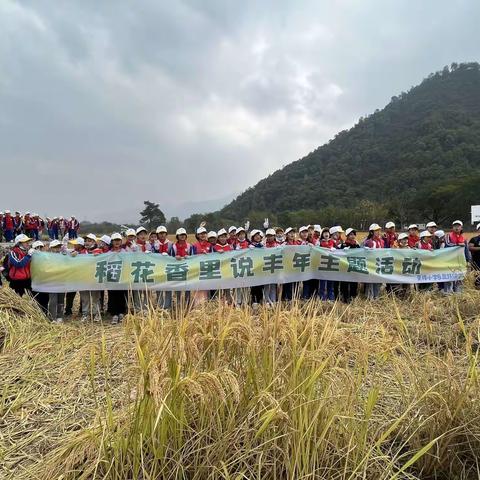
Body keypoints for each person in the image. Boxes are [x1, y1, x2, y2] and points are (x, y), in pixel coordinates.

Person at [168, 228, 195, 308]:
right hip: (177, 270)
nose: (182, 236)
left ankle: (187, 303)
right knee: (178, 287)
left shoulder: (189, 246)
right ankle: (179, 303)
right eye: (180, 235)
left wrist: (189, 257)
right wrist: (175, 258)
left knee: (187, 287)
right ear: (177, 236)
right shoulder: (174, 247)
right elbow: (170, 258)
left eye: (184, 235)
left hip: (187, 269)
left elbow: (193, 257)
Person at [444, 220, 470, 294]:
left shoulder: (463, 238)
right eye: (455, 226)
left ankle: (458, 293)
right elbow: (448, 244)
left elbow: (466, 250)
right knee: (449, 277)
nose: (456, 228)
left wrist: (468, 260)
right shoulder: (448, 236)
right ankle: (448, 293)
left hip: (460, 261)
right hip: (450, 260)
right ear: (452, 227)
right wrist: (458, 245)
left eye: (458, 226)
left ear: (461, 228)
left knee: (459, 277)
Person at [108, 233, 128, 324]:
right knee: (112, 296)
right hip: (112, 278)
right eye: (115, 240)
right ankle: (114, 314)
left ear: (121, 242)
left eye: (118, 240)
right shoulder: (108, 253)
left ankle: (121, 313)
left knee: (122, 295)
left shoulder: (125, 252)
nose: (117, 242)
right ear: (112, 242)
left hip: (122, 277)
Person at [192, 226, 213, 305]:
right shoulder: (194, 246)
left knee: (207, 288)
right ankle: (197, 305)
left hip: (208, 271)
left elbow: (214, 257)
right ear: (197, 235)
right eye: (200, 234)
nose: (202, 235)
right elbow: (192, 258)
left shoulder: (210, 245)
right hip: (198, 271)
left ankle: (207, 305)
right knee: (198, 289)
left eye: (204, 233)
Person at [338, 228, 360, 302]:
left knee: (354, 282)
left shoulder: (357, 244)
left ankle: (353, 296)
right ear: (347, 235)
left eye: (354, 234)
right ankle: (344, 297)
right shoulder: (343, 244)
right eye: (351, 234)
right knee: (345, 282)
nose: (352, 236)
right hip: (345, 266)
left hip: (354, 265)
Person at [364, 223, 385, 299]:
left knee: (378, 280)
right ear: (371, 232)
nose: (378, 232)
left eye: (379, 230)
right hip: (371, 264)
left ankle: (376, 295)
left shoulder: (381, 241)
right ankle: (370, 296)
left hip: (379, 263)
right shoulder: (368, 242)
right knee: (371, 281)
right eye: (376, 230)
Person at [47, 240, 65, 323]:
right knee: (53, 299)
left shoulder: (64, 256)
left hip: (62, 281)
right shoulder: (47, 257)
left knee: (61, 299)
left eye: (58, 247)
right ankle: (52, 317)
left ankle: (60, 316)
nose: (57, 249)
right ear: (51, 248)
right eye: (55, 247)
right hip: (52, 281)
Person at [31, 240, 49, 313]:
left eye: (40, 247)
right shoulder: (30, 258)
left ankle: (45, 313)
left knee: (45, 299)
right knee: (36, 298)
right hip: (35, 282)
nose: (39, 249)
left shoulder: (46, 257)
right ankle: (36, 313)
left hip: (45, 282)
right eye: (37, 248)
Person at [318, 228, 336, 301]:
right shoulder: (319, 243)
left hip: (331, 264)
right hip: (322, 264)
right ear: (322, 234)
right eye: (324, 232)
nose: (326, 234)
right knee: (322, 282)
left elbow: (339, 250)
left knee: (330, 282)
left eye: (327, 232)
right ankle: (322, 296)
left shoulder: (333, 242)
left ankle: (330, 295)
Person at [249, 229, 264, 310]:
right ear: (252, 237)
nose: (257, 237)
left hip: (261, 269)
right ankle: (254, 302)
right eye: (255, 236)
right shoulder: (250, 246)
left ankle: (260, 301)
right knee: (254, 287)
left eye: (258, 235)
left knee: (261, 286)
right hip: (254, 270)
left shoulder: (262, 245)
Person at [263, 228, 279, 305]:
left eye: (271, 236)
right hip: (266, 267)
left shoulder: (278, 245)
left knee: (273, 285)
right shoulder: (264, 245)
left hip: (275, 267)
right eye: (268, 236)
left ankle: (273, 300)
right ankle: (266, 300)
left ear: (274, 236)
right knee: (266, 284)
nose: (269, 237)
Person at [468, 224, 480, 289]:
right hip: (477, 261)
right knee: (477, 276)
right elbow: (470, 248)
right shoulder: (474, 239)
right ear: (478, 230)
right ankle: (477, 288)